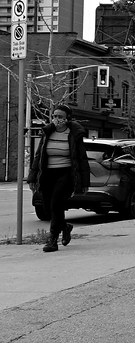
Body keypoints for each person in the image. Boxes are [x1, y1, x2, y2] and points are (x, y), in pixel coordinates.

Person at [27, 104, 90, 252]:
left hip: (66, 173)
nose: (56, 119)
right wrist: (32, 178)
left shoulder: (74, 134)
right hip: (48, 174)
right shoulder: (48, 132)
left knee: (56, 202)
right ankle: (65, 227)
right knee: (49, 206)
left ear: (67, 118)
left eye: (60, 117)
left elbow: (82, 158)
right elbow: (38, 156)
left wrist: (84, 181)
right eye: (54, 116)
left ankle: (52, 240)